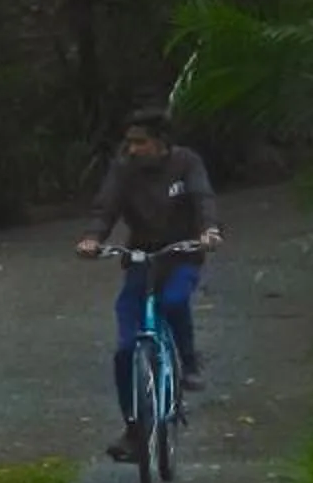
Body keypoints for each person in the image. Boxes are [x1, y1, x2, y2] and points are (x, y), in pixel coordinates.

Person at [76, 108, 223, 461]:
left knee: (173, 302)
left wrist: (208, 230)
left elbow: (203, 198)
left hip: (181, 254)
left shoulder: (186, 163)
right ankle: (134, 429)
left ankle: (187, 363)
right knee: (126, 349)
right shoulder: (123, 170)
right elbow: (105, 206)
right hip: (142, 257)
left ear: (160, 142)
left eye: (140, 142)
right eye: (129, 142)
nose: (132, 149)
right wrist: (93, 238)